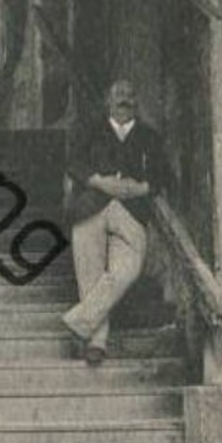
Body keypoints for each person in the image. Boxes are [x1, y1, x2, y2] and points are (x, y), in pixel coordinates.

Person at [62, 77, 170, 365]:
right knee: (90, 273)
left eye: (129, 95)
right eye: (118, 94)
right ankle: (97, 343)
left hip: (131, 212)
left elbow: (164, 175)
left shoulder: (150, 137)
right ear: (108, 101)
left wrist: (141, 188)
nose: (124, 99)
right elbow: (73, 163)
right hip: (90, 207)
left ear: (136, 102)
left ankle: (79, 320)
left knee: (128, 268)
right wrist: (100, 182)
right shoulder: (90, 131)